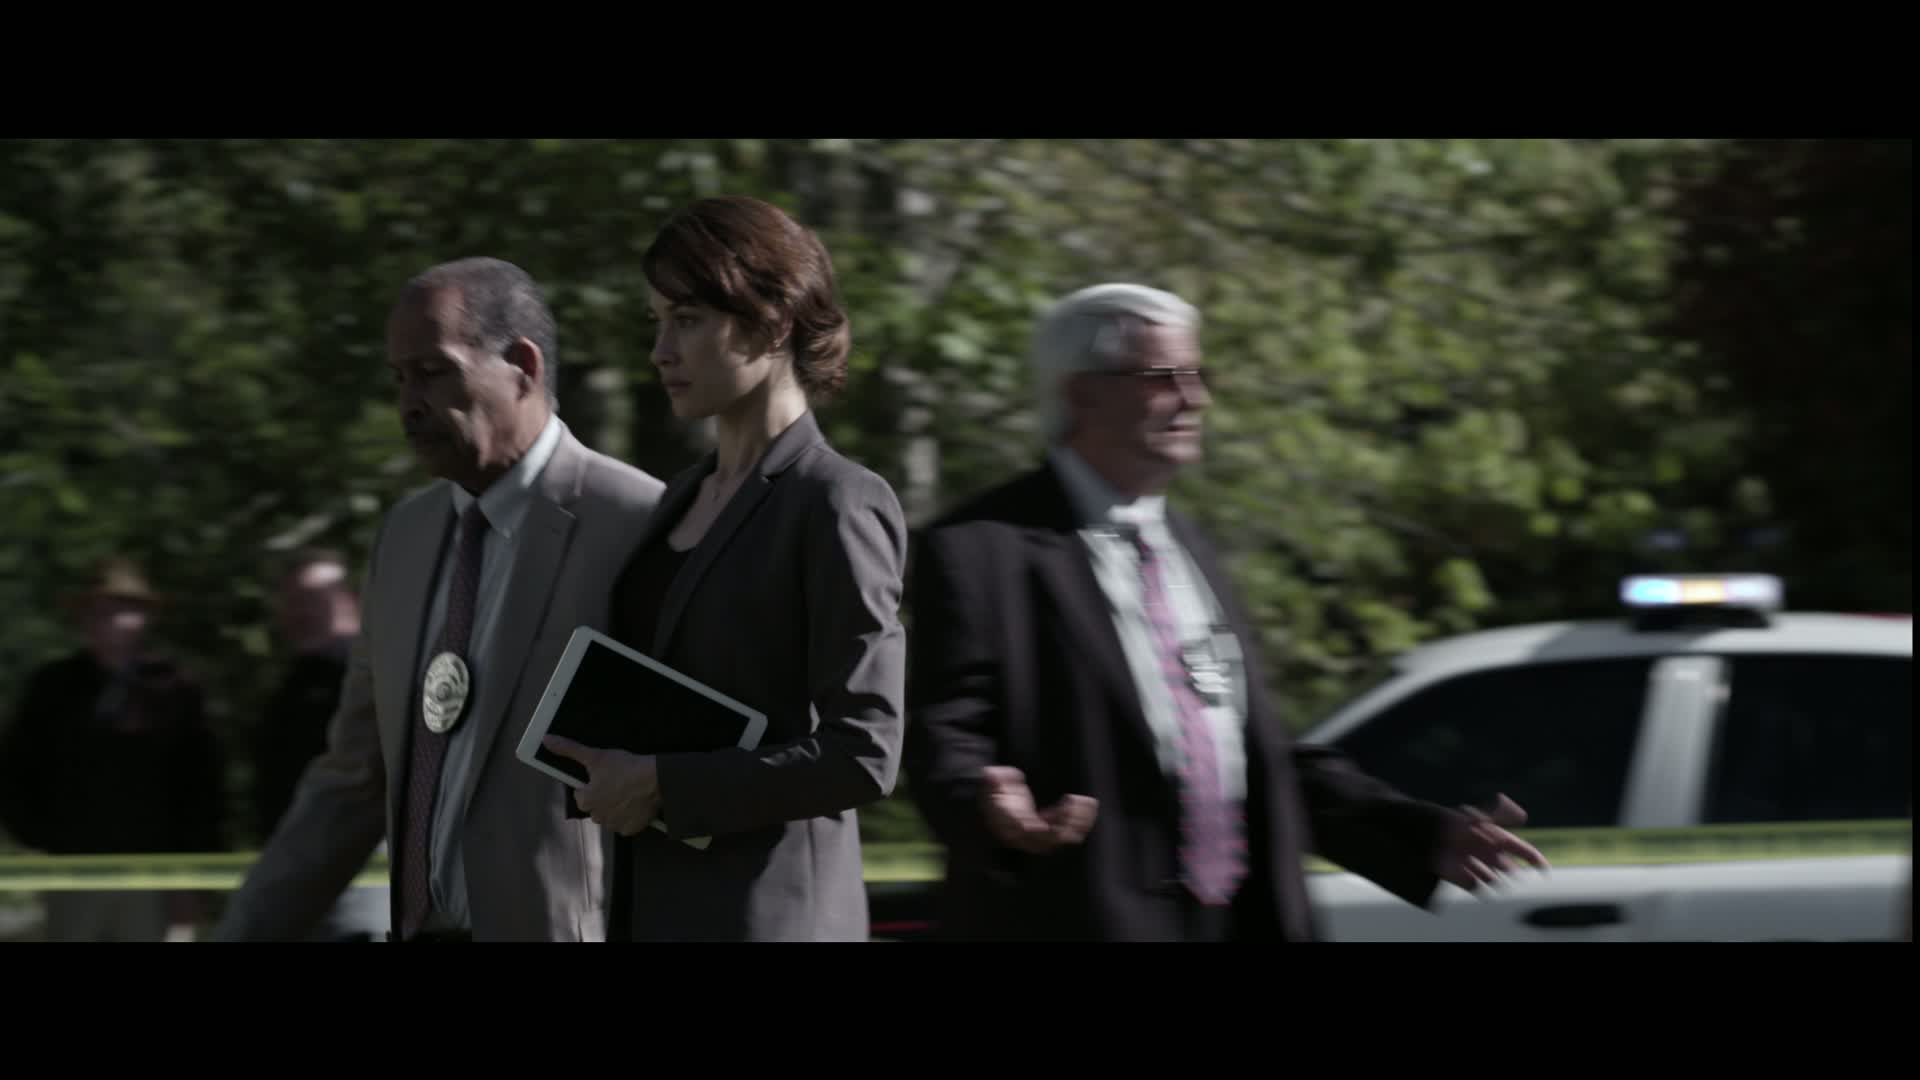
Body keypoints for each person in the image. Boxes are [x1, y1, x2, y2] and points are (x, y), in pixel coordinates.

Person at [902, 283, 1548, 941]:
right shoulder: (982, 548)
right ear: (1082, 393)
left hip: (1240, 921)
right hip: (1082, 918)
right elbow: (946, 733)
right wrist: (984, 808)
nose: (1195, 398)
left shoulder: (1185, 544)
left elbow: (1244, 750)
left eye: (1198, 375)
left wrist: (1416, 833)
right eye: (1164, 377)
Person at [213, 257, 665, 942]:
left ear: (522, 366)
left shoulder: (636, 525)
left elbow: (688, 785)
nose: (409, 404)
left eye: (433, 372)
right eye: (399, 378)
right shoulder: (405, 538)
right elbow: (352, 782)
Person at [541, 195, 907, 941]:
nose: (660, 351)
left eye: (688, 319)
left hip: (772, 917)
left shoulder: (836, 501)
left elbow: (866, 753)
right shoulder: (678, 497)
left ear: (773, 323)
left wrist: (663, 785)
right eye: (656, 321)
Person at [0, 558, 226, 941]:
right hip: (73, 873)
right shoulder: (52, 687)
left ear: (144, 617)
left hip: (156, 877)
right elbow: (15, 772)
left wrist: (192, 877)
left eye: (121, 608)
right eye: (95, 609)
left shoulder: (176, 689)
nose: (107, 619)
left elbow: (202, 788)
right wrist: (40, 841)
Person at [249, 549, 390, 942]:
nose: (301, 612)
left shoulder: (376, 675)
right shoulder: (292, 686)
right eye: (292, 601)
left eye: (313, 598)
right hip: (298, 874)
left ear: (350, 601)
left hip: (358, 869)